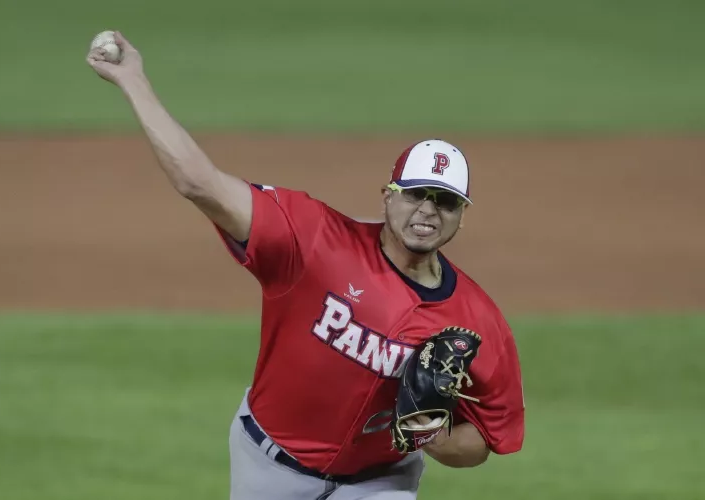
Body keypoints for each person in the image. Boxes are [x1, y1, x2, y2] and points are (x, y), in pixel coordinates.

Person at [86, 32, 525, 500]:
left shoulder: (477, 320)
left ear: (461, 215)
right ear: (388, 195)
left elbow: (484, 440)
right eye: (416, 194)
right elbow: (199, 183)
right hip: (268, 468)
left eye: (445, 202)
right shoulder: (314, 240)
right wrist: (132, 79)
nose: (428, 211)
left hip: (382, 482)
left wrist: (430, 435)